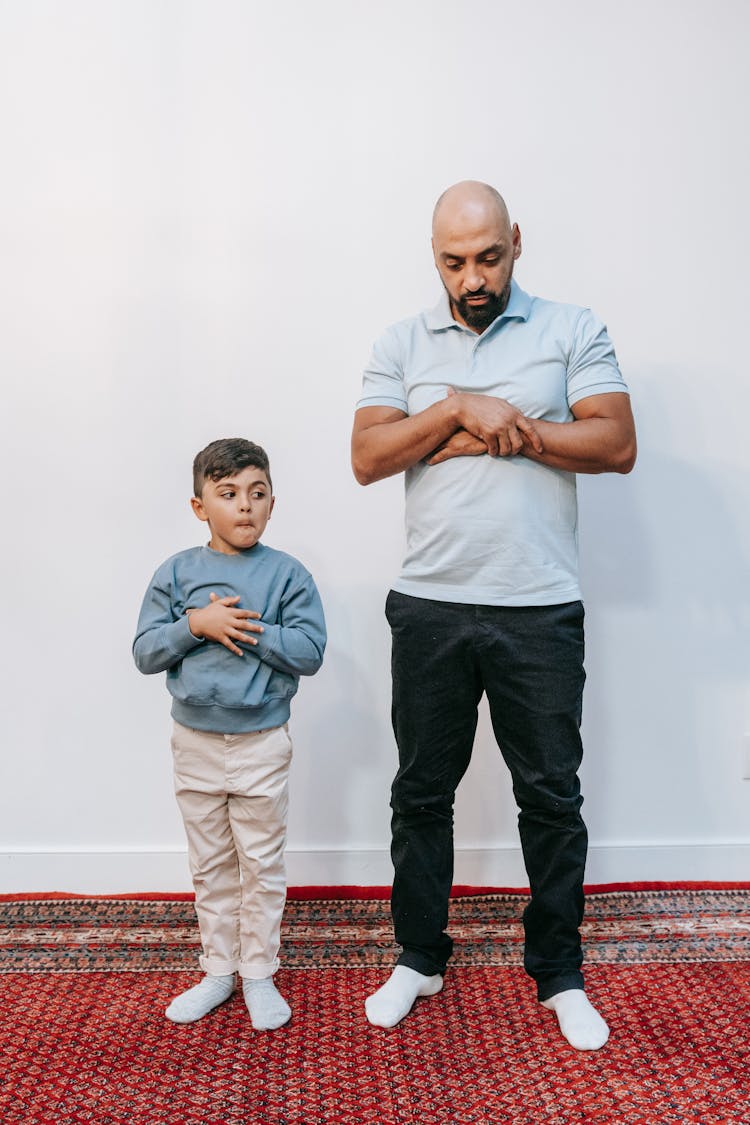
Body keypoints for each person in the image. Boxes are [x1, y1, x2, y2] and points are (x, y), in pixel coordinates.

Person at [351, 181, 636, 1051]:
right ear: (432, 255)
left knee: (551, 796)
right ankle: (419, 957)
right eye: (452, 262)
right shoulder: (401, 341)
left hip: (539, 607)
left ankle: (558, 971)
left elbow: (615, 443)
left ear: (517, 241)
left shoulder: (573, 329)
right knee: (420, 792)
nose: (472, 278)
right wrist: (452, 409)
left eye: (488, 257)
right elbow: (367, 455)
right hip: (431, 604)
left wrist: (507, 425)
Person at [133, 438, 326, 1029]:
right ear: (199, 507)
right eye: (228, 494)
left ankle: (259, 972)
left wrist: (248, 629)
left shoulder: (287, 574)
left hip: (262, 743)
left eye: (257, 493)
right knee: (211, 863)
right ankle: (219, 970)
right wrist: (196, 624)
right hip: (193, 742)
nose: (245, 506)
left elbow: (310, 651)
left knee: (261, 862)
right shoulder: (177, 573)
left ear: (273, 503)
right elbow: (144, 652)